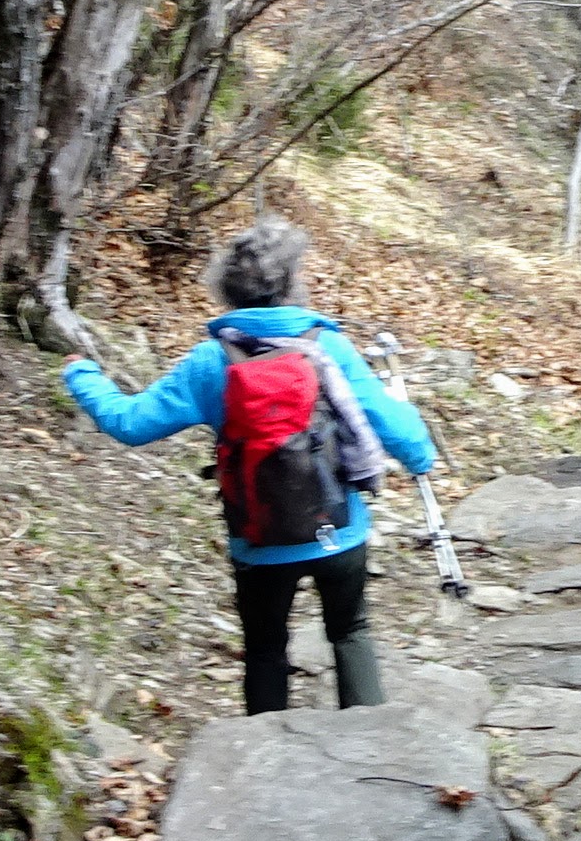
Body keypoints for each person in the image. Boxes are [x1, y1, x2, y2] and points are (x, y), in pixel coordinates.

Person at [58, 216, 434, 714]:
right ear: (293, 282)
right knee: (350, 630)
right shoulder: (328, 348)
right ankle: (371, 740)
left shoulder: (210, 361)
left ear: (226, 290)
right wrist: (420, 457)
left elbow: (130, 423)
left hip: (259, 538)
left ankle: (263, 750)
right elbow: (395, 427)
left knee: (264, 649)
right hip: (339, 531)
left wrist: (82, 374)